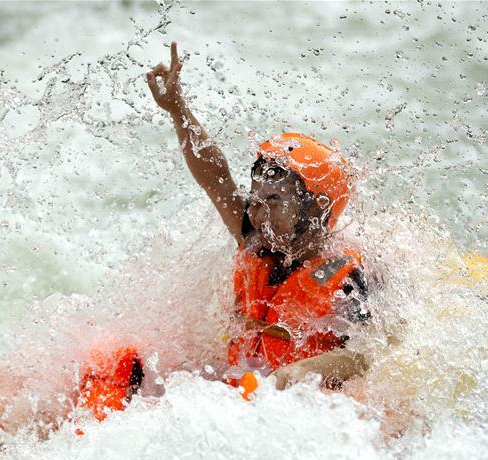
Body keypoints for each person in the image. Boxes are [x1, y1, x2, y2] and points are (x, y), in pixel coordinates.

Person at [147, 42, 371, 391]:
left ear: (317, 209)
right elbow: (215, 177)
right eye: (255, 198)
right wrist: (178, 111)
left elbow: (368, 353)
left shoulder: (348, 277)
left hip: (300, 407)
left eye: (273, 201)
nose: (256, 212)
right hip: (242, 391)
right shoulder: (257, 236)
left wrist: (302, 372)